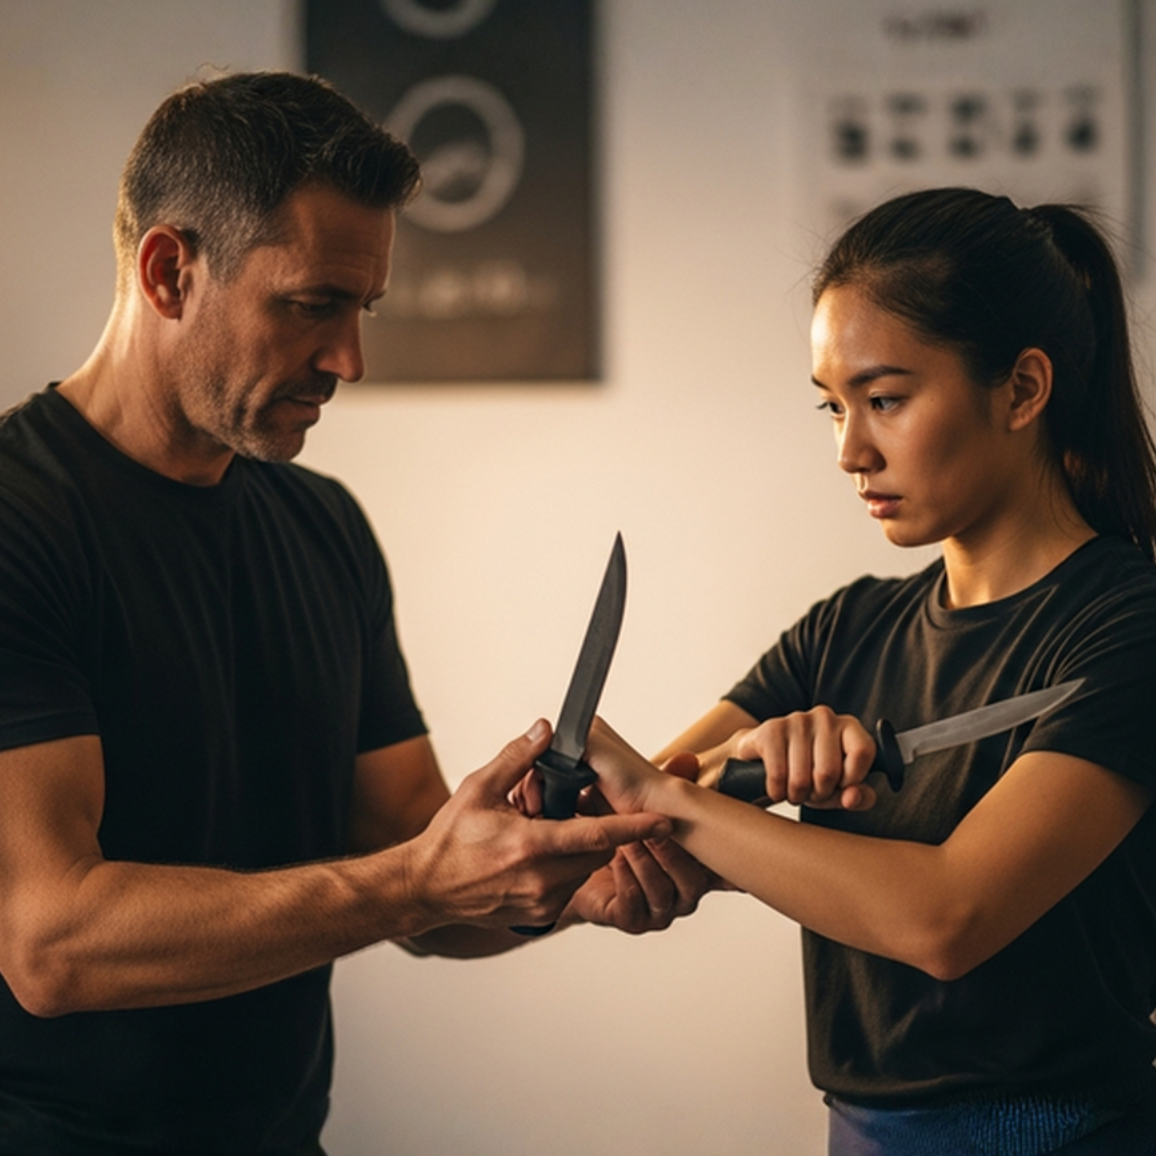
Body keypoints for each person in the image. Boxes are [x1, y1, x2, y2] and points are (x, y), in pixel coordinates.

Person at [0, 70, 708, 1155]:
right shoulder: (20, 521)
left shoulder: (323, 528)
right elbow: (51, 942)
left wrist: (562, 885)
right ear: (168, 269)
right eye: (311, 305)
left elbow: (411, 863)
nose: (348, 360)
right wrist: (417, 881)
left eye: (361, 309)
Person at [582, 187, 1156, 1154]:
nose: (850, 451)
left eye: (885, 400)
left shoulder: (1126, 628)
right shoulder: (844, 631)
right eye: (833, 406)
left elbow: (948, 918)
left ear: (1022, 389)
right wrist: (735, 777)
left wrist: (678, 806)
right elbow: (640, 823)